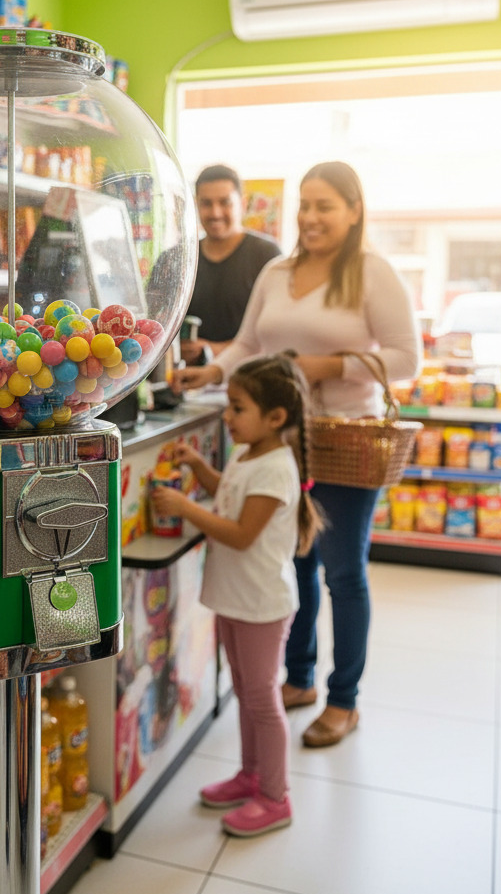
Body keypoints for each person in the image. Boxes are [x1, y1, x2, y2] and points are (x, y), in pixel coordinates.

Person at [173, 161, 421, 747]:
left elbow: (406, 360)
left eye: (325, 206)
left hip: (344, 440)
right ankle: (301, 676)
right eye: (304, 205)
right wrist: (211, 369)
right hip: (282, 443)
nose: (310, 217)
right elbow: (250, 343)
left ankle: (345, 699)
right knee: (297, 563)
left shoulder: (371, 272)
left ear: (354, 210)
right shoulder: (277, 271)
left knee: (342, 572)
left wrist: (329, 365)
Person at [151, 354, 321, 837]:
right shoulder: (250, 454)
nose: (228, 416)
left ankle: (276, 796)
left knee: (262, 700)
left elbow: (242, 532)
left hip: (261, 605)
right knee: (246, 693)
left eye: (238, 407)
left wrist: (185, 507)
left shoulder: (275, 468)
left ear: (276, 418)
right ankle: (251, 775)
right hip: (234, 597)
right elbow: (230, 493)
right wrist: (201, 467)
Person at [145, 165, 280, 363]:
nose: (215, 213)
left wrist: (211, 349)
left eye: (225, 202)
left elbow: (276, 332)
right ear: (196, 205)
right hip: (183, 380)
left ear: (241, 204)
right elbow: (153, 323)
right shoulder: (175, 258)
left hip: (247, 378)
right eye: (206, 203)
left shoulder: (267, 255)